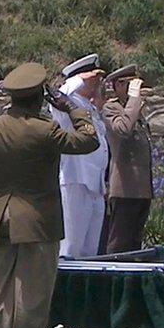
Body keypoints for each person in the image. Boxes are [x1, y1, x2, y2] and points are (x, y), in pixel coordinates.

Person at [0, 62, 100, 328]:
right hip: (38, 221)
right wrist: (71, 108)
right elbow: (89, 140)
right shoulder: (45, 130)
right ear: (40, 97)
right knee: (32, 293)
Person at [52, 53, 109, 258]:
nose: (98, 81)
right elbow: (58, 93)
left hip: (95, 184)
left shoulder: (89, 107)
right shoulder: (65, 103)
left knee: (90, 250)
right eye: (94, 77)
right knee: (72, 246)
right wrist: (79, 79)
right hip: (76, 180)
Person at [101, 64, 154, 253]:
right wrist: (133, 100)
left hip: (141, 190)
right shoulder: (111, 108)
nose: (136, 90)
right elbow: (122, 129)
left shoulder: (134, 111)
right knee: (119, 246)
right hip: (124, 189)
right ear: (118, 85)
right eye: (130, 85)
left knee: (135, 247)